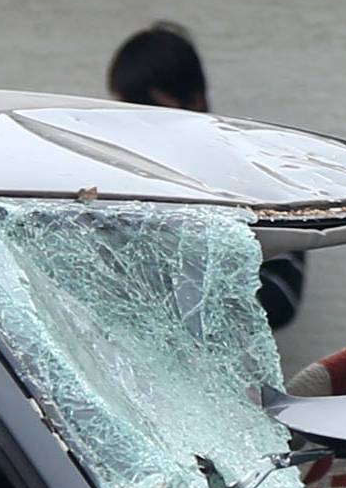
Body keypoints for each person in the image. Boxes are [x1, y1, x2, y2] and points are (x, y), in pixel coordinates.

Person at [107, 21, 306, 332]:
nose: (138, 125)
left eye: (149, 109)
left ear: (194, 99)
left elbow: (282, 295)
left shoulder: (251, 179)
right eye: (125, 112)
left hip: (226, 373)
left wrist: (170, 291)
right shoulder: (113, 183)